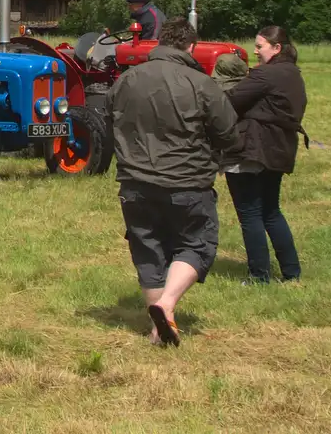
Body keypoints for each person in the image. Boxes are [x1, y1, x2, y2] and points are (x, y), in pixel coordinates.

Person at [105, 18, 240, 347]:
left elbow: (109, 118)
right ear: (191, 47)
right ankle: (165, 307)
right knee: (197, 245)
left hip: (135, 182)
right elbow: (229, 134)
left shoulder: (125, 80)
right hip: (187, 182)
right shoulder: (201, 83)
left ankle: (159, 329)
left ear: (160, 42)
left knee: (148, 248)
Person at [222, 26, 307, 285]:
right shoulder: (293, 73)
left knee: (250, 213)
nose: (255, 51)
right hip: (279, 149)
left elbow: (229, 102)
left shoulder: (265, 74)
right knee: (271, 211)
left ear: (277, 47)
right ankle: (292, 273)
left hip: (253, 149)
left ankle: (259, 276)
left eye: (260, 46)